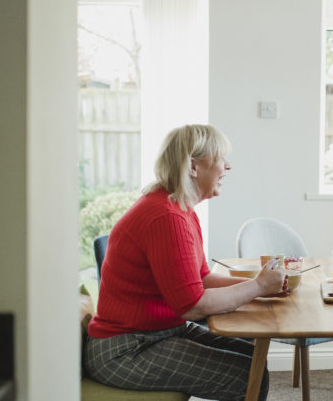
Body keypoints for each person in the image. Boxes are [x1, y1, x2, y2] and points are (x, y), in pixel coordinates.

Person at [84, 124, 286, 401]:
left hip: (157, 333)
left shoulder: (180, 210)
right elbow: (192, 305)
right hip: (125, 350)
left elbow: (201, 280)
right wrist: (259, 287)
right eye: (220, 159)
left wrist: (261, 286)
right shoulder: (166, 217)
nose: (227, 167)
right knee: (246, 375)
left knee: (252, 359)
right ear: (193, 166)